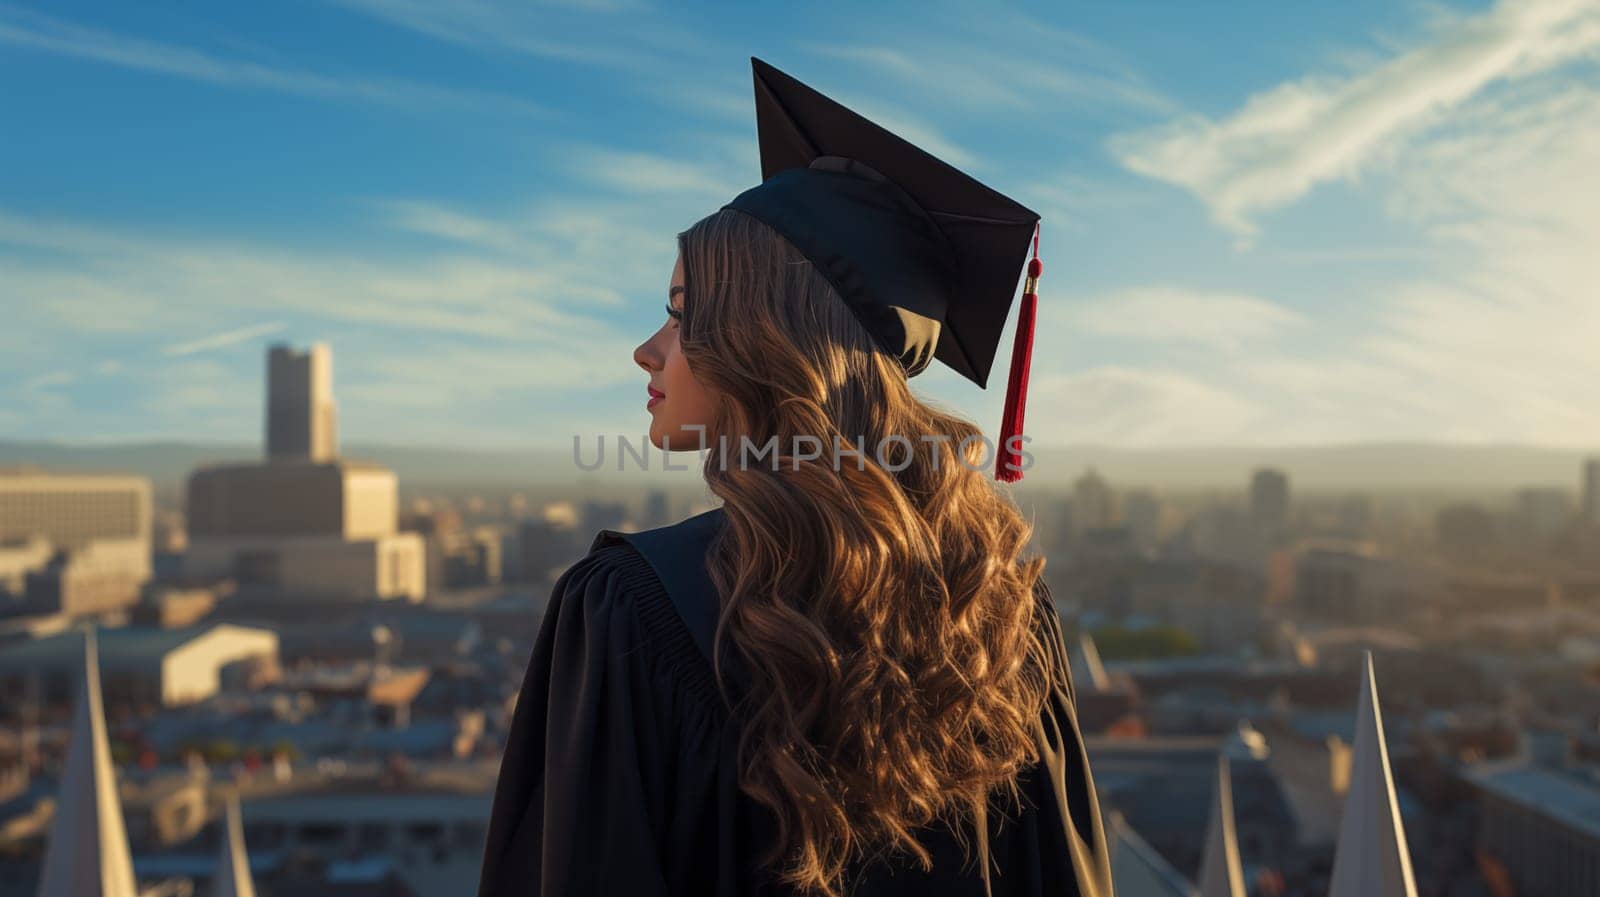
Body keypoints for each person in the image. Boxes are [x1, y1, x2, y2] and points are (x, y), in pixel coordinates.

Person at [476, 57, 1114, 897]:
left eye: (679, 312)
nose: (647, 349)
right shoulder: (998, 607)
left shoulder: (631, 609)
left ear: (762, 341)